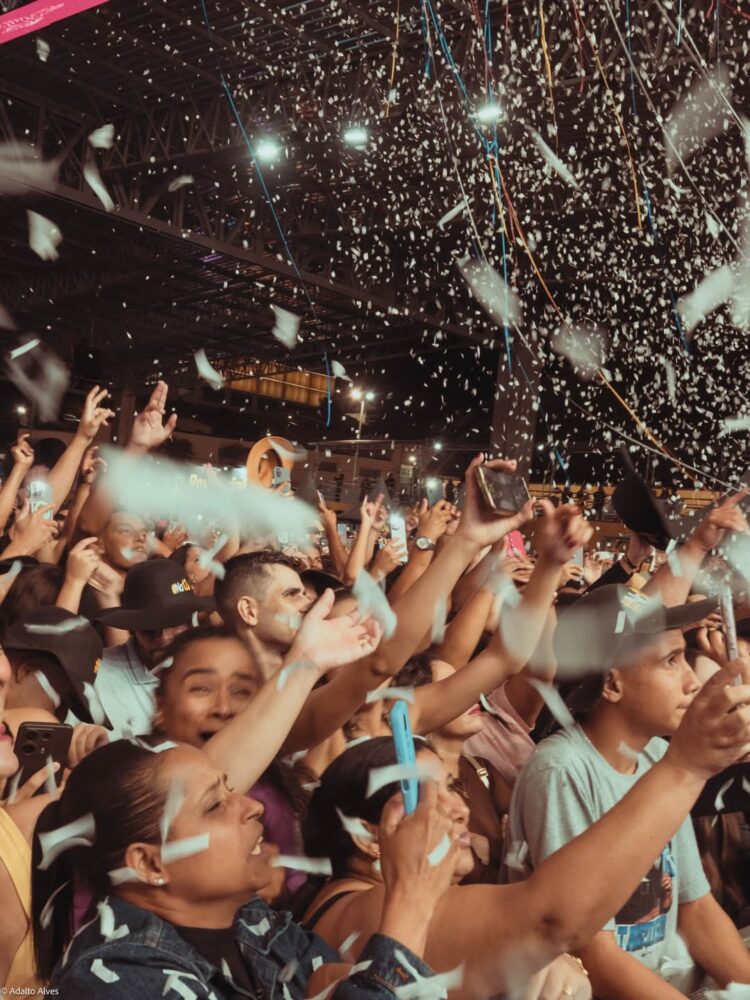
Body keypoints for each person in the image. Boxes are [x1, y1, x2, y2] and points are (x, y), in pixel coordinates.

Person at [300, 647, 750, 1000]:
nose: (457, 809)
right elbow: (550, 921)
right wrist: (687, 766)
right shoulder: (364, 908)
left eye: (451, 789)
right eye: (424, 798)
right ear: (367, 837)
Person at [31, 740, 458, 999]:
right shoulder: (114, 982)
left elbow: (331, 979)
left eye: (231, 790)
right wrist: (411, 901)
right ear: (149, 862)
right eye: (215, 805)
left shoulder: (253, 922)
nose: (253, 807)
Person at [507, 583, 750, 998]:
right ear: (612, 685)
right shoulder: (561, 770)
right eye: (671, 662)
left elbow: (695, 906)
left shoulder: (659, 755)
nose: (692, 681)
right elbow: (591, 953)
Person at [93, 558, 213, 736]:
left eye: (174, 623)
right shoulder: (97, 674)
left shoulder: (216, 667)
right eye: (150, 629)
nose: (163, 637)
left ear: (191, 621)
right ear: (132, 627)